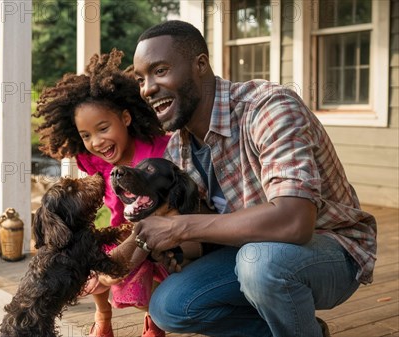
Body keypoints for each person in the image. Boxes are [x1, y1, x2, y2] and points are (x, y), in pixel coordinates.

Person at [130, 20, 377, 337]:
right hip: (254, 252)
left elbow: (294, 221)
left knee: (258, 262)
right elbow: (203, 237)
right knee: (170, 306)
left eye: (160, 71)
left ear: (200, 65)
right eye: (141, 79)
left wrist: (179, 227)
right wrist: (164, 246)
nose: (147, 88)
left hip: (334, 250)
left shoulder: (268, 108)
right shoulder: (178, 150)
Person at [34, 49, 170, 337]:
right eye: (86, 135)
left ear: (126, 118)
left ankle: (154, 320)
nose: (96, 142)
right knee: (89, 258)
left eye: (103, 128)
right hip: (118, 231)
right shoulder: (94, 160)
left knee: (154, 268)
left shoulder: (157, 151)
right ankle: (102, 316)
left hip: (157, 231)